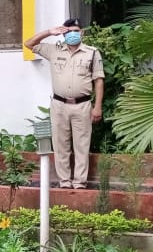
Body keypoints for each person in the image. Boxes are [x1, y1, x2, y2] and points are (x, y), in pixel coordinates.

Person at [24, 19, 105, 189]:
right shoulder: (55, 50)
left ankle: (79, 182)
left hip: (82, 105)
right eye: (67, 31)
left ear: (81, 32)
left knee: (82, 145)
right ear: (63, 33)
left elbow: (98, 80)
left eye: (75, 30)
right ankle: (65, 182)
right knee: (61, 145)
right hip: (59, 105)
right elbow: (28, 44)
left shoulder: (91, 53)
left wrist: (97, 106)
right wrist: (49, 32)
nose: (72, 34)